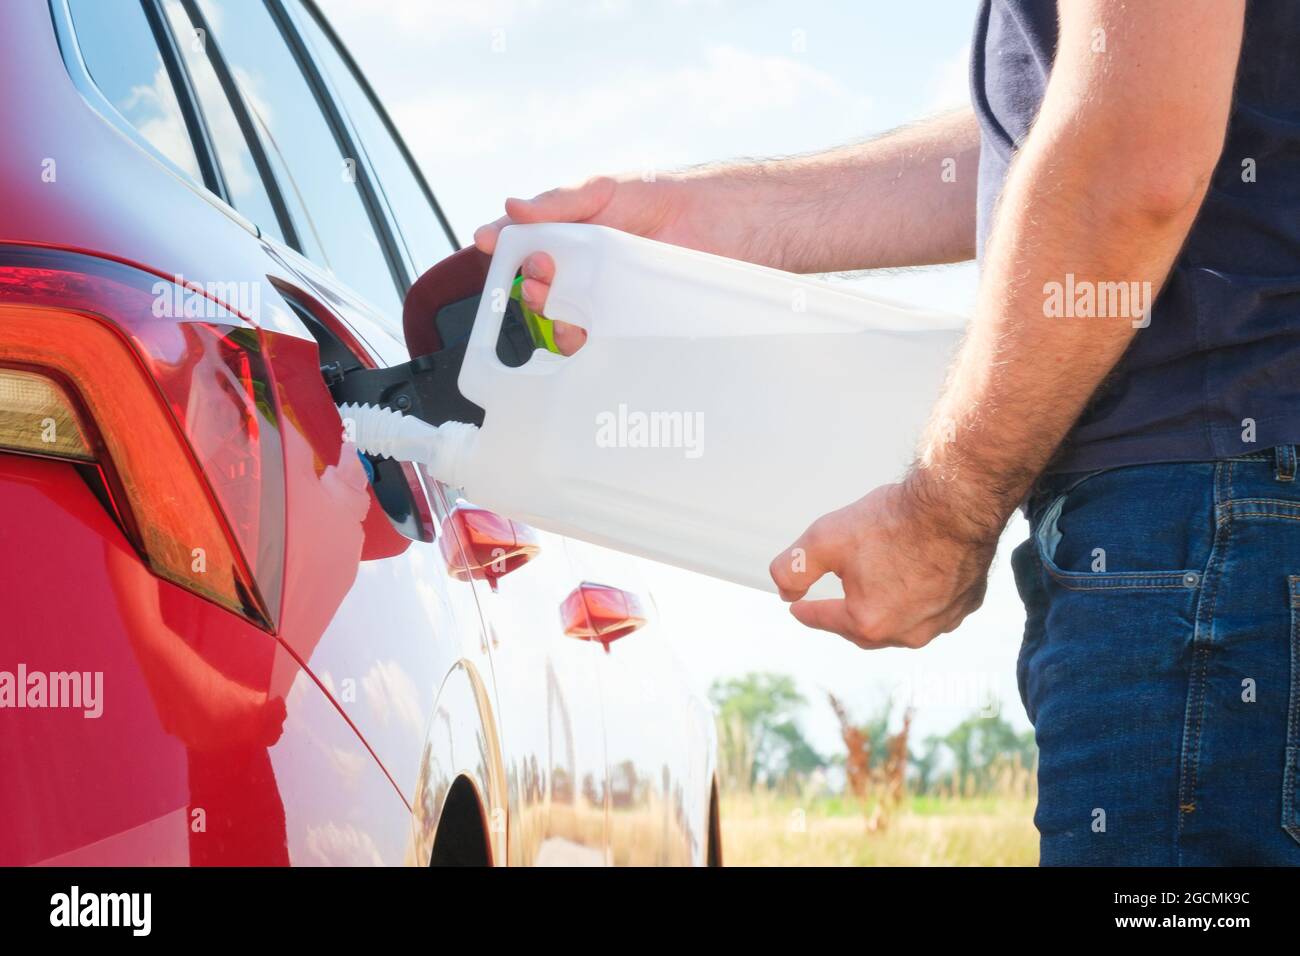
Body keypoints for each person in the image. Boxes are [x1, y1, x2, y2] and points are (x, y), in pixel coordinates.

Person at [475, 0, 1300, 865]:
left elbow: (1132, 154)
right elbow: (1076, 112)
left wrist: (948, 506)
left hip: (1210, 527)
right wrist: (701, 217)